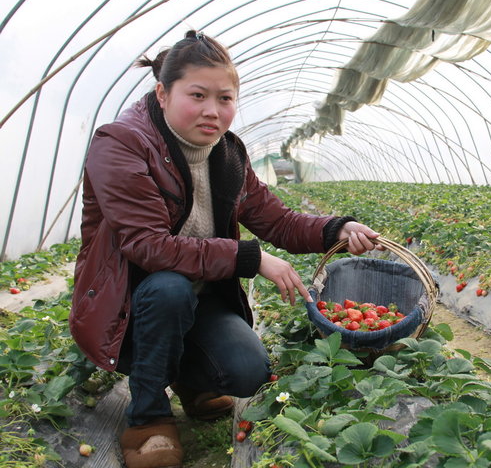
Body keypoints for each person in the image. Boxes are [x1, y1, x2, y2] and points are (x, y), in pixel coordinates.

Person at [69, 30, 380, 468]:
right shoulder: (121, 144)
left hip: (201, 298)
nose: (212, 111)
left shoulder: (227, 153)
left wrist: (337, 228)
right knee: (169, 288)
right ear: (162, 92)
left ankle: (191, 384)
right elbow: (148, 246)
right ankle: (148, 417)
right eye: (197, 95)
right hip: (131, 309)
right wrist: (250, 258)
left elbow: (277, 220)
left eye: (225, 98)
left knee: (246, 371)